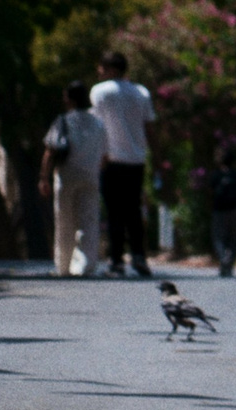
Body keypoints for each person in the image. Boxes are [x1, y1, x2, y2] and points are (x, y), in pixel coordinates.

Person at [90, 52, 156, 278]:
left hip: (110, 159)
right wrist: (151, 154)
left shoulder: (99, 91)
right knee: (134, 211)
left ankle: (116, 259)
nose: (99, 72)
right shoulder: (141, 92)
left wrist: (99, 155)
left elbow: (96, 125)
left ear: (109, 68)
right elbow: (149, 126)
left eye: (101, 67)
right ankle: (139, 255)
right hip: (136, 160)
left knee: (114, 211)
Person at [39, 83, 106, 277]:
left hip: (66, 175)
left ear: (70, 99)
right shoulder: (98, 123)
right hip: (91, 175)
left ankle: (63, 266)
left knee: (64, 221)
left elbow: (50, 150)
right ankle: (87, 265)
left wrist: (44, 177)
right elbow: (105, 156)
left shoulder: (63, 121)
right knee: (89, 221)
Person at [207, 155, 236, 278]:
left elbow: (210, 192)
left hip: (219, 209)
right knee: (233, 238)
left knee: (219, 237)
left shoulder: (216, 175)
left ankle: (224, 258)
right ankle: (229, 263)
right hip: (234, 209)